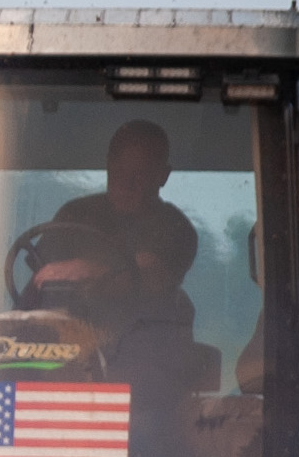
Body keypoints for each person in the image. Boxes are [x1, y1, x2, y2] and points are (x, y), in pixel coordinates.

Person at [29, 120, 199, 336]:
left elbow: (151, 278)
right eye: (119, 171)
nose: (126, 184)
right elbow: (37, 283)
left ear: (162, 175)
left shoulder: (174, 228)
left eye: (139, 175)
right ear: (108, 166)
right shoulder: (75, 215)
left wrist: (88, 270)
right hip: (63, 343)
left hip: (142, 348)